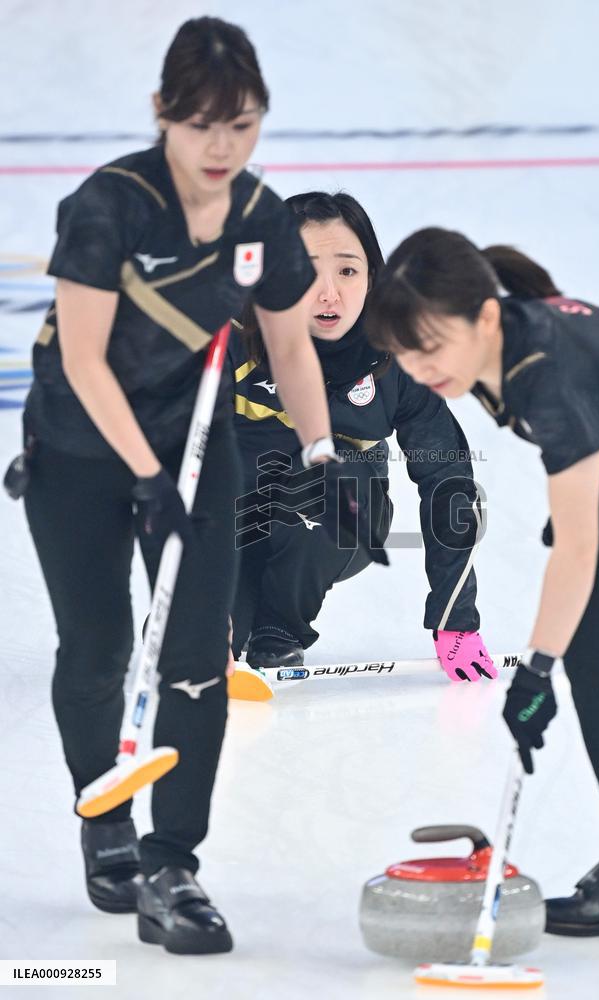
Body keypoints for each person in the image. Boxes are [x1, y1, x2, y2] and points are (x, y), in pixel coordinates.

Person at [12, 17, 354, 956]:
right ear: (163, 113)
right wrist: (144, 473)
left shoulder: (261, 219)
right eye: (202, 124)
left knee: (198, 656)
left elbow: (288, 345)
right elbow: (82, 358)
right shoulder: (109, 206)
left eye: (241, 126)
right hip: (80, 448)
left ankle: (172, 864)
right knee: (97, 644)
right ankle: (107, 821)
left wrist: (323, 454)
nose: (221, 147)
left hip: (196, 452)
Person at [365, 229, 599, 937]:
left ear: (486, 319)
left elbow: (578, 552)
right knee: (595, 648)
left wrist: (534, 672)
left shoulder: (544, 372)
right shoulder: (497, 354)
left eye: (430, 346)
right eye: (404, 351)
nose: (418, 366)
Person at [229, 192, 495, 683]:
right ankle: (229, 616)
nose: (329, 293)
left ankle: (278, 629)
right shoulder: (230, 338)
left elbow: (449, 482)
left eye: (347, 271)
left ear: (373, 276)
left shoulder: (395, 358)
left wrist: (455, 621)